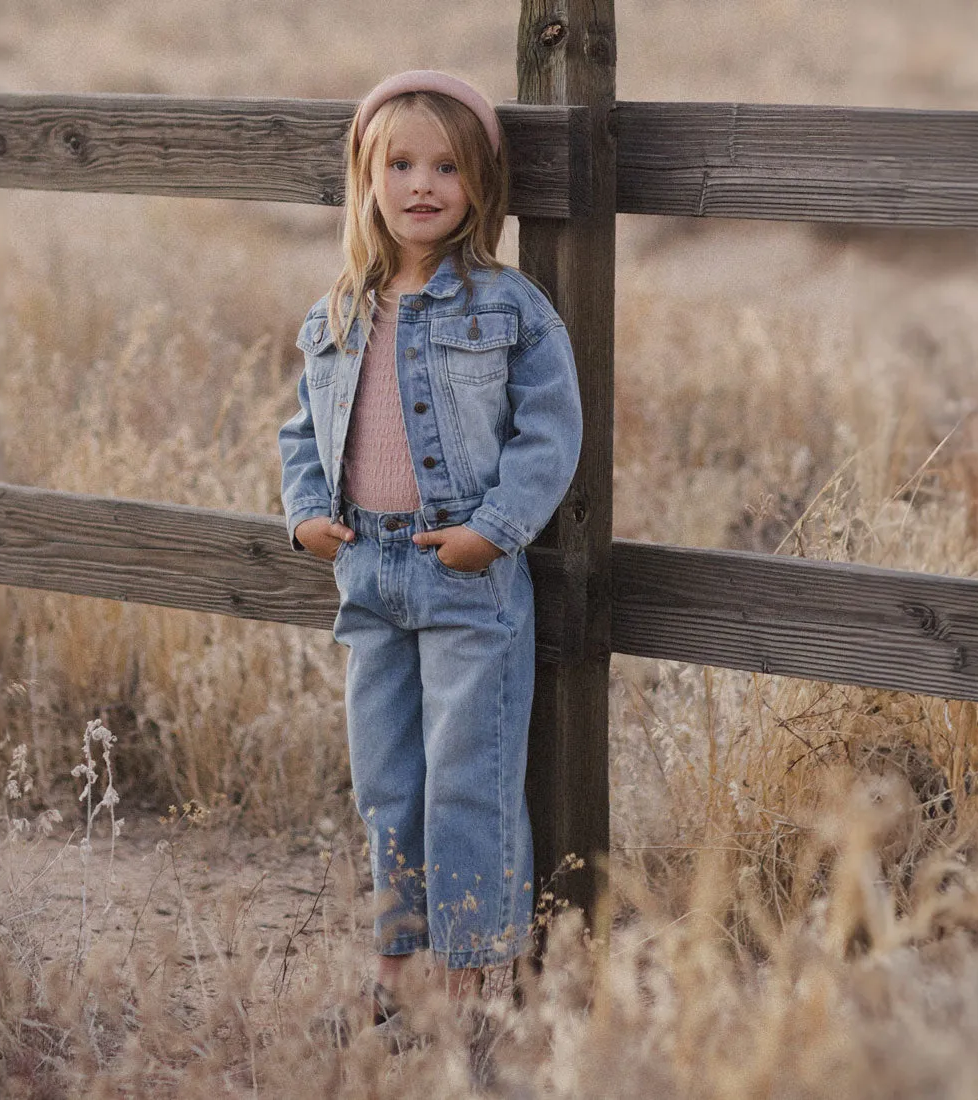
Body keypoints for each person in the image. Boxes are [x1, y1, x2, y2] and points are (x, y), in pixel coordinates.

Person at [278, 69, 582, 1038]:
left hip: (464, 574)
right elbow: (299, 430)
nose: (421, 184)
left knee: (468, 777)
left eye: (445, 166)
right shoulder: (336, 311)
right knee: (387, 784)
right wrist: (304, 512)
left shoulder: (506, 307)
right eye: (399, 164)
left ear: (477, 185)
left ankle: (471, 986)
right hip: (364, 571)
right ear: (365, 178)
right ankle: (393, 972)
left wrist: (493, 526)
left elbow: (549, 430)